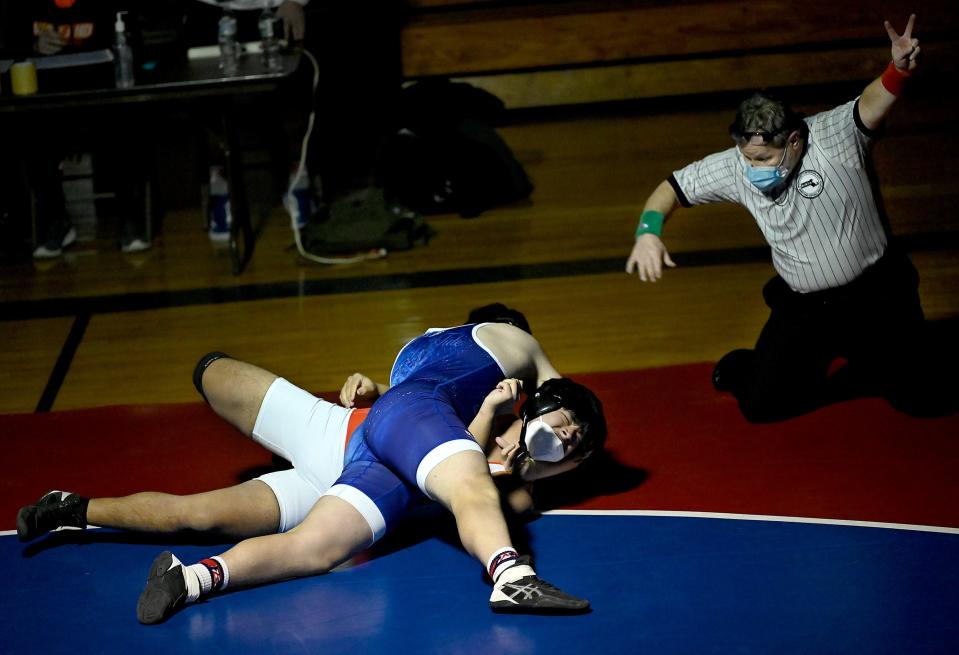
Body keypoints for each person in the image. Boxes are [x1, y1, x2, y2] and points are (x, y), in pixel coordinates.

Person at [17, 321, 606, 623]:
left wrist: (524, 442)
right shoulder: (506, 356)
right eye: (565, 426)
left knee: (289, 540)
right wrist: (381, 389)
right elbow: (437, 420)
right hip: (351, 429)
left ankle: (189, 577)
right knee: (210, 372)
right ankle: (73, 506)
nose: (562, 439)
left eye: (570, 446)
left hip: (376, 470)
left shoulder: (509, 469)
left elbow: (473, 472)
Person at [625, 14, 953, 422]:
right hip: (805, 308)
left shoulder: (835, 135)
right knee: (763, 407)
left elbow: (874, 100)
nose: (751, 168)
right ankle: (752, 363)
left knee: (925, 400)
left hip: (876, 297)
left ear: (795, 140)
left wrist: (897, 68)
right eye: (746, 157)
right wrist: (648, 232)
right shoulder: (734, 165)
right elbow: (670, 190)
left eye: (762, 158)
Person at [8, 0, 153, 258]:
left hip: (100, 92)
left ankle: (131, 218)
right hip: (47, 96)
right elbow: (10, 48)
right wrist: (35, 46)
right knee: (29, 128)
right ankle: (56, 221)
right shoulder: (21, 6)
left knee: (127, 122)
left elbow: (132, 46)